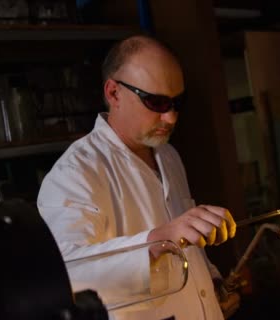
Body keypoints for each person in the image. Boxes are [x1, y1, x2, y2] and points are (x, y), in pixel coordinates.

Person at [37, 35, 238, 320]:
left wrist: (213, 282)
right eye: (156, 102)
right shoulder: (75, 172)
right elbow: (67, 274)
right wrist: (157, 241)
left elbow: (188, 247)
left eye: (176, 102)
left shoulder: (168, 155)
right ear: (114, 93)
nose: (170, 118)